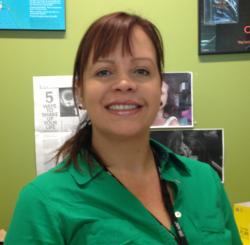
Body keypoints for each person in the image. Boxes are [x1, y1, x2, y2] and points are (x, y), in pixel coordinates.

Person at [5, 12, 242, 245]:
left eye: (141, 71)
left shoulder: (205, 179)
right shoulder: (42, 202)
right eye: (104, 72)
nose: (125, 84)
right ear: (79, 92)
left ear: (160, 88)